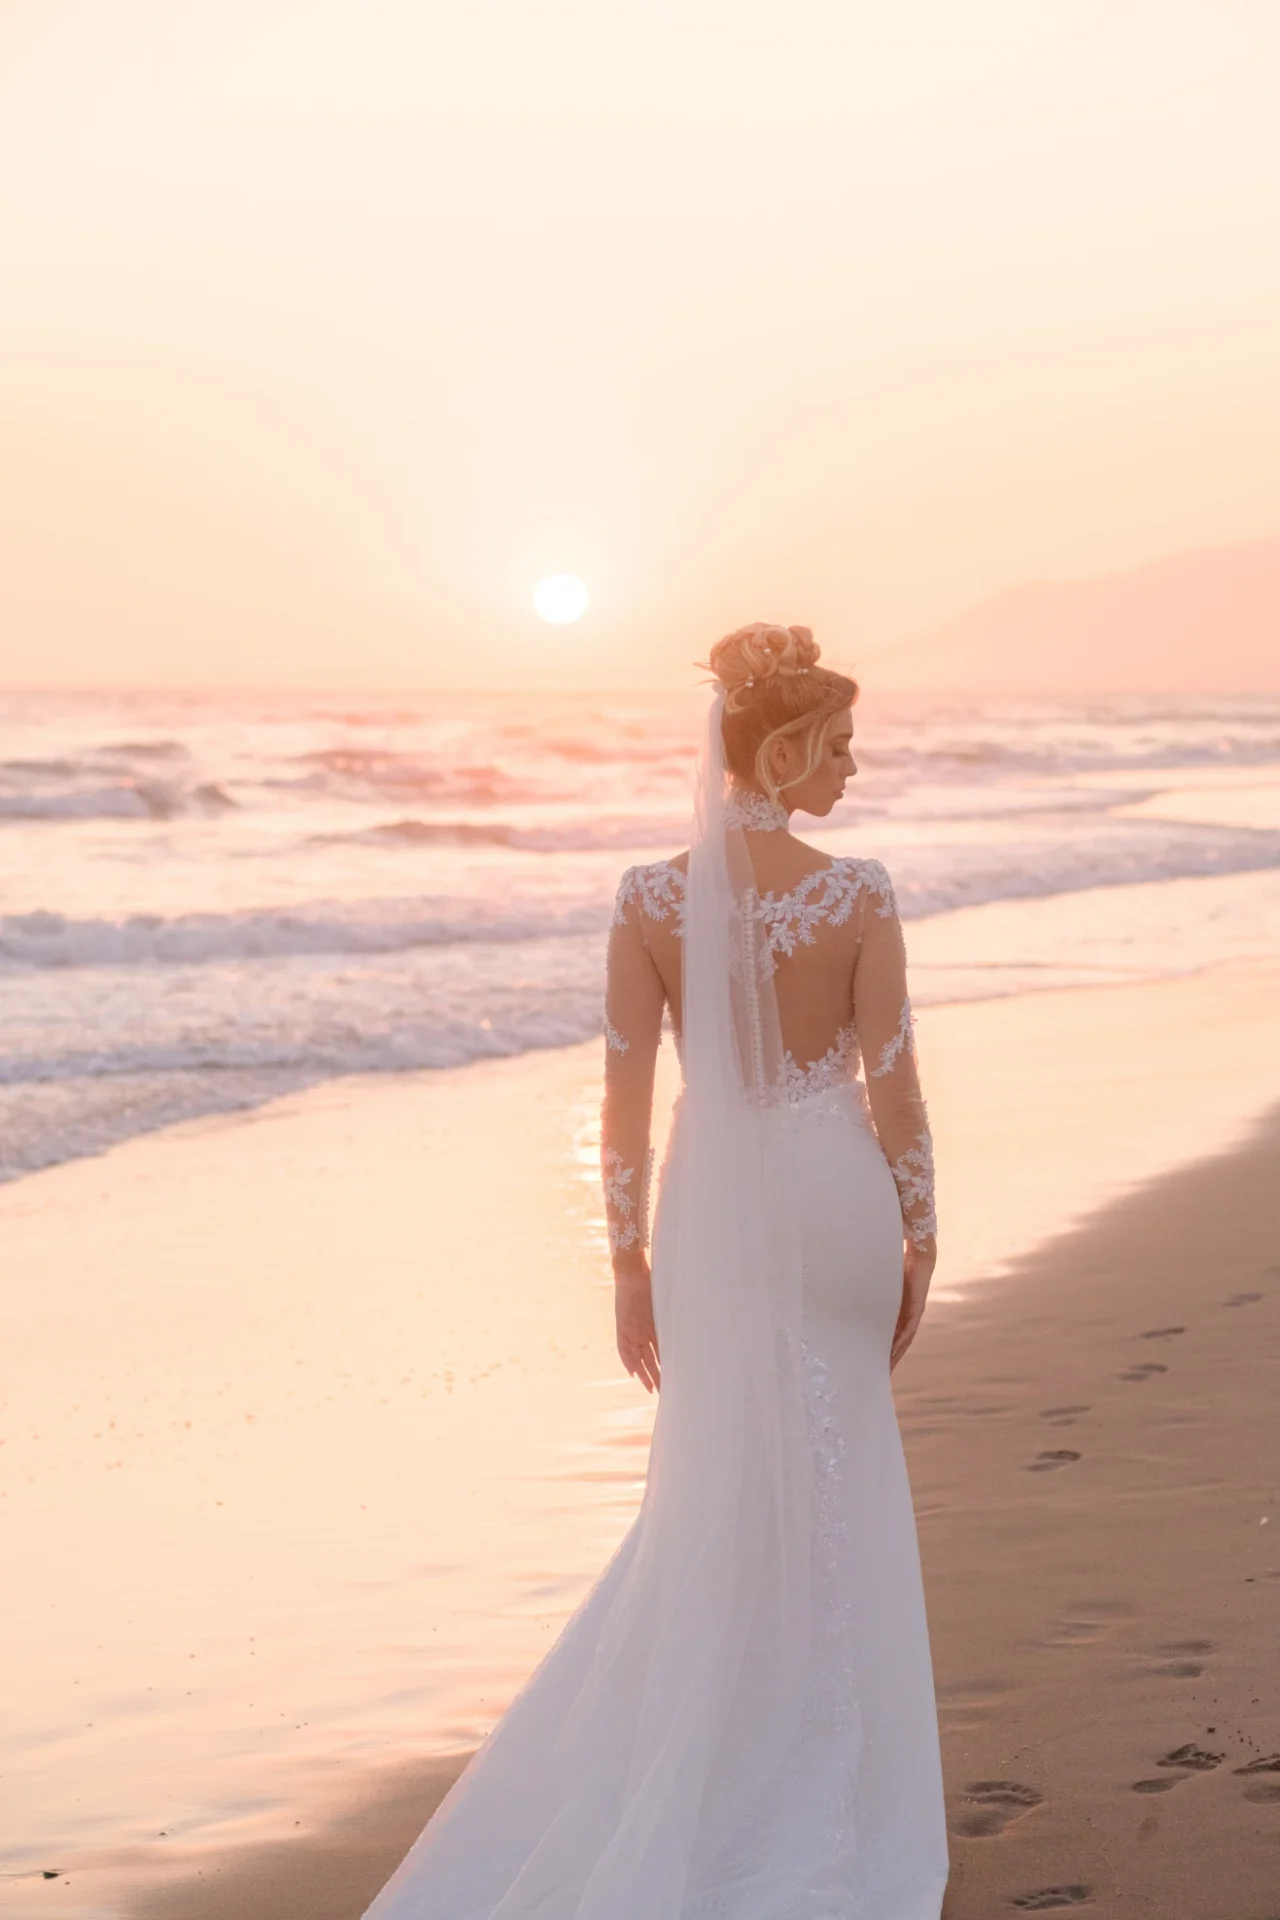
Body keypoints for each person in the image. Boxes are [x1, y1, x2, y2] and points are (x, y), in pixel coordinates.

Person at [362, 623, 949, 1919]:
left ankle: (724, 1762)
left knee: (722, 1487)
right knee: (840, 1468)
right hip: (838, 1205)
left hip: (709, 1218)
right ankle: (844, 1787)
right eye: (840, 747)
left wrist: (624, 1266)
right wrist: (923, 1233)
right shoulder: (860, 895)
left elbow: (619, 1109)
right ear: (784, 751)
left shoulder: (646, 901)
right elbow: (894, 1091)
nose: (853, 770)